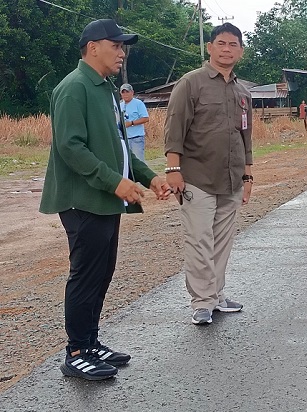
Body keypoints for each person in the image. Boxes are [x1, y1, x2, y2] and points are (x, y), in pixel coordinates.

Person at [39, 19, 170, 381]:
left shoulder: (106, 89)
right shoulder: (74, 87)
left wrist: (149, 176)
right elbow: (70, 147)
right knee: (85, 276)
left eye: (123, 46)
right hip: (83, 200)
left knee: (102, 273)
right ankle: (76, 352)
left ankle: (91, 342)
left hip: (104, 199)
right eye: (116, 45)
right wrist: (115, 183)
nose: (122, 52)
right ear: (93, 46)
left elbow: (121, 148)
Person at [164, 22, 253, 326]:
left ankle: (216, 294)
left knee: (222, 241)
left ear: (240, 51)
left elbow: (245, 135)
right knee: (199, 240)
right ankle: (202, 302)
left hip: (231, 179)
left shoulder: (243, 91)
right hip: (196, 177)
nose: (227, 49)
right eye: (221, 43)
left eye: (233, 45)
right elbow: (174, 128)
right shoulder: (191, 83)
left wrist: (248, 174)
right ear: (210, 47)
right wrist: (173, 169)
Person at [120, 83, 149, 162]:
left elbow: (146, 118)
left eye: (127, 92)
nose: (125, 94)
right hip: (124, 139)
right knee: (127, 162)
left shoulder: (138, 103)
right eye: (123, 92)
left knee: (138, 161)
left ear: (132, 92)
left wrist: (132, 123)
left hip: (137, 138)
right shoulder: (120, 105)